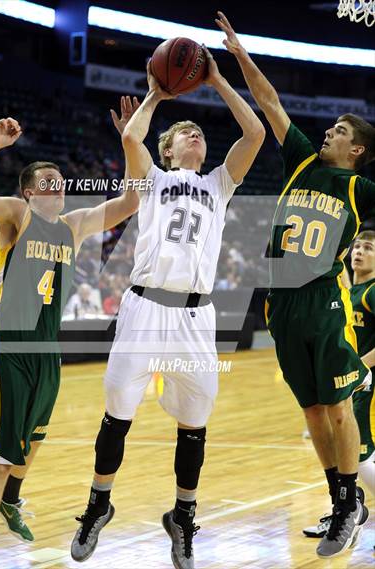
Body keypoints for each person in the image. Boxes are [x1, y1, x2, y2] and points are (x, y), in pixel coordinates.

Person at [71, 48, 265, 569]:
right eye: (187, 132)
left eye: (201, 133)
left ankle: (182, 516)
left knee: (195, 421)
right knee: (118, 412)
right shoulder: (152, 178)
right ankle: (98, 504)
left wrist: (220, 81)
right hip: (144, 308)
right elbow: (132, 138)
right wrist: (157, 95)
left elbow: (255, 136)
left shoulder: (219, 184)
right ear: (170, 147)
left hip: (195, 318)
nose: (197, 135)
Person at [213, 10, 375, 560]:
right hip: (281, 304)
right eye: (331, 127)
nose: (329, 131)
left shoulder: (359, 187)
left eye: (341, 132)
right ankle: (340, 500)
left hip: (325, 301)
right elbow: (271, 102)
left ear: (356, 151)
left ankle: (352, 499)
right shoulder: (303, 159)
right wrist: (236, 56)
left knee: (337, 408)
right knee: (311, 411)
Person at [0, 115, 139, 569]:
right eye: (47, 181)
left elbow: (132, 201)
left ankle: (11, 500)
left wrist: (130, 140)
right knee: (1, 456)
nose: (58, 184)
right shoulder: (17, 216)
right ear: (30, 192)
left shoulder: (74, 225)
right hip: (11, 347)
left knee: (34, 439)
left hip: (46, 350)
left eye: (60, 179)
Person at [303, 230, 375, 539]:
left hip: (366, 383)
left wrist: (360, 367)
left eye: (368, 247)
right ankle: (343, 510)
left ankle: (349, 511)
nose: (359, 251)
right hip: (349, 383)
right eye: (356, 246)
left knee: (358, 454)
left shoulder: (372, 292)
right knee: (344, 452)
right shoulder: (350, 292)